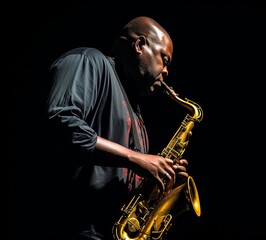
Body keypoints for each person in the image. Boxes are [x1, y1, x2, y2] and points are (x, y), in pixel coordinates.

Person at [41, 16, 190, 240]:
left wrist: (159, 180)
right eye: (164, 60)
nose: (166, 71)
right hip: (74, 229)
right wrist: (135, 158)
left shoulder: (137, 113)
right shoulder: (89, 60)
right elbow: (60, 123)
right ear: (140, 45)